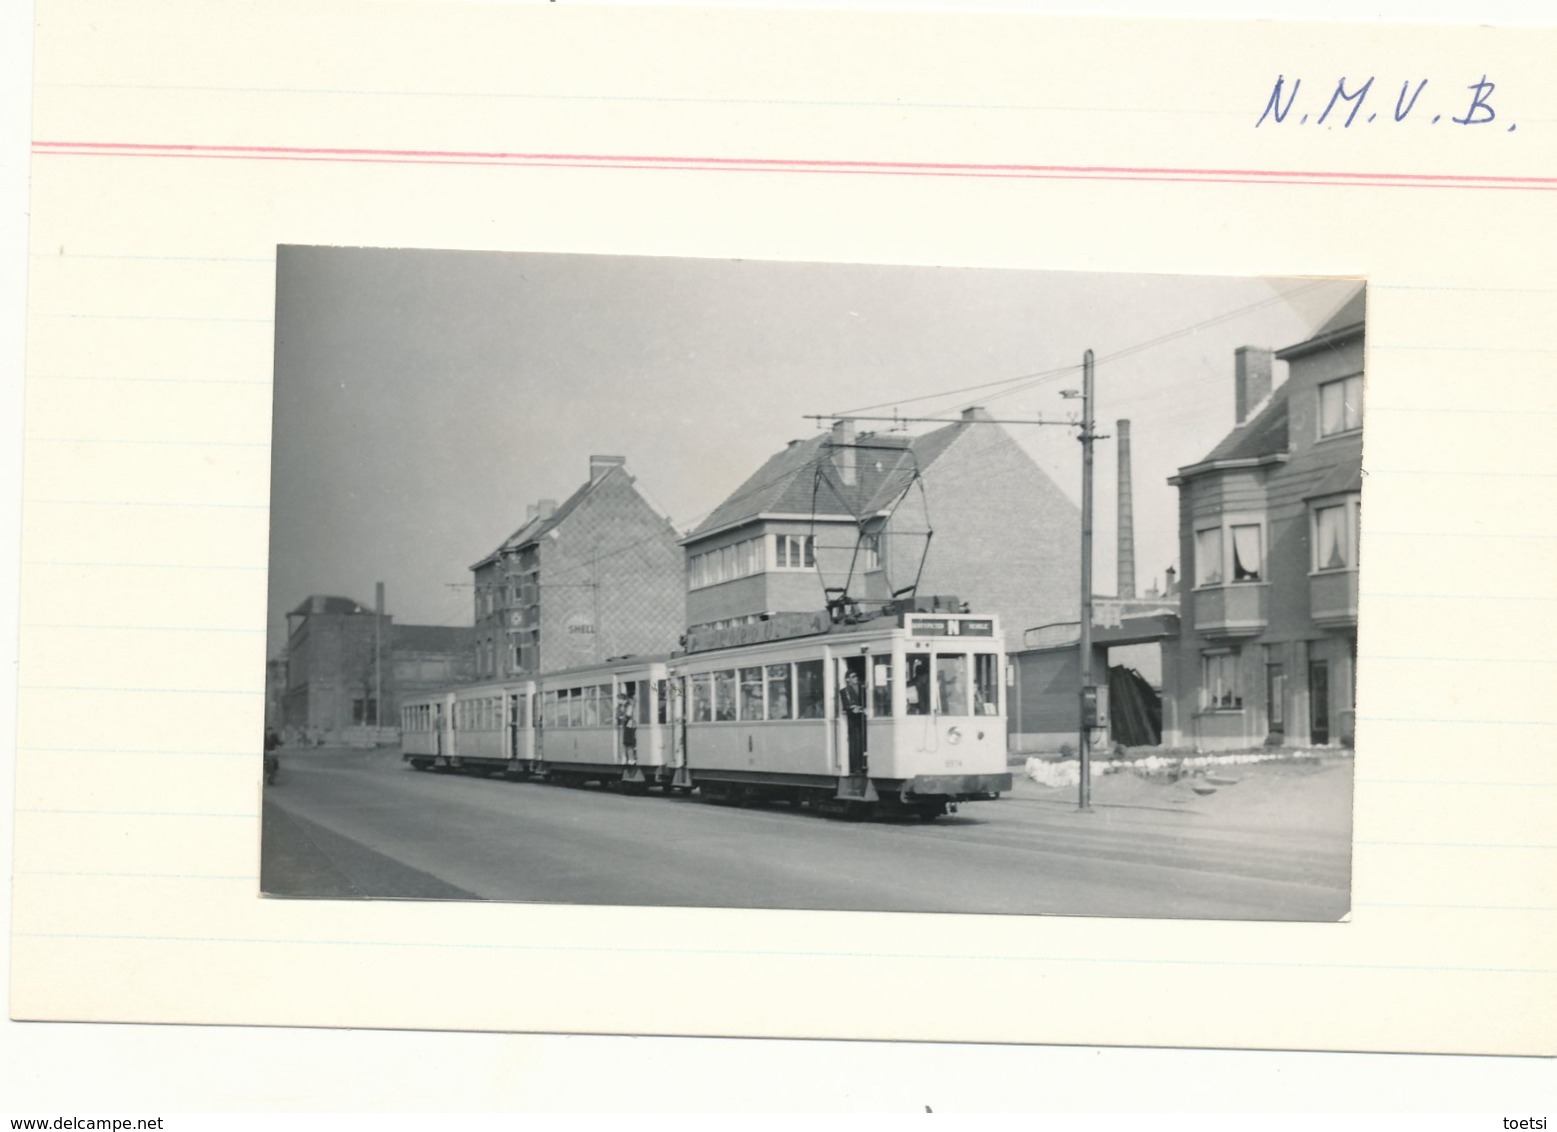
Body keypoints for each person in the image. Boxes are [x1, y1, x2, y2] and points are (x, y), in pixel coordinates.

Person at [839, 669, 867, 776]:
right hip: (853, 722)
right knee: (855, 743)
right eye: (853, 676)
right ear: (847, 679)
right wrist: (853, 708)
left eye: (856, 676)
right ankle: (856, 767)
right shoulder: (844, 691)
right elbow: (846, 706)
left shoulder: (862, 689)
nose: (856, 678)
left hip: (862, 720)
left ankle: (862, 765)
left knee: (862, 742)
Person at [618, 691, 638, 764]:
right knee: (630, 740)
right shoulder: (629, 704)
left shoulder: (628, 705)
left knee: (628, 741)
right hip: (632, 722)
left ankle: (631, 759)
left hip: (630, 722)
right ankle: (630, 758)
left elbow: (628, 715)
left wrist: (622, 717)